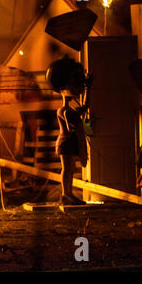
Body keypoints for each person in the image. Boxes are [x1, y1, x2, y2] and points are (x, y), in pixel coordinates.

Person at [46, 57, 90, 206]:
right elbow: (76, 129)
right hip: (65, 143)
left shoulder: (67, 109)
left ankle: (68, 194)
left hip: (69, 143)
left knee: (70, 169)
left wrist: (89, 87)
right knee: (67, 169)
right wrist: (83, 153)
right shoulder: (64, 111)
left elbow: (84, 107)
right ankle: (66, 194)